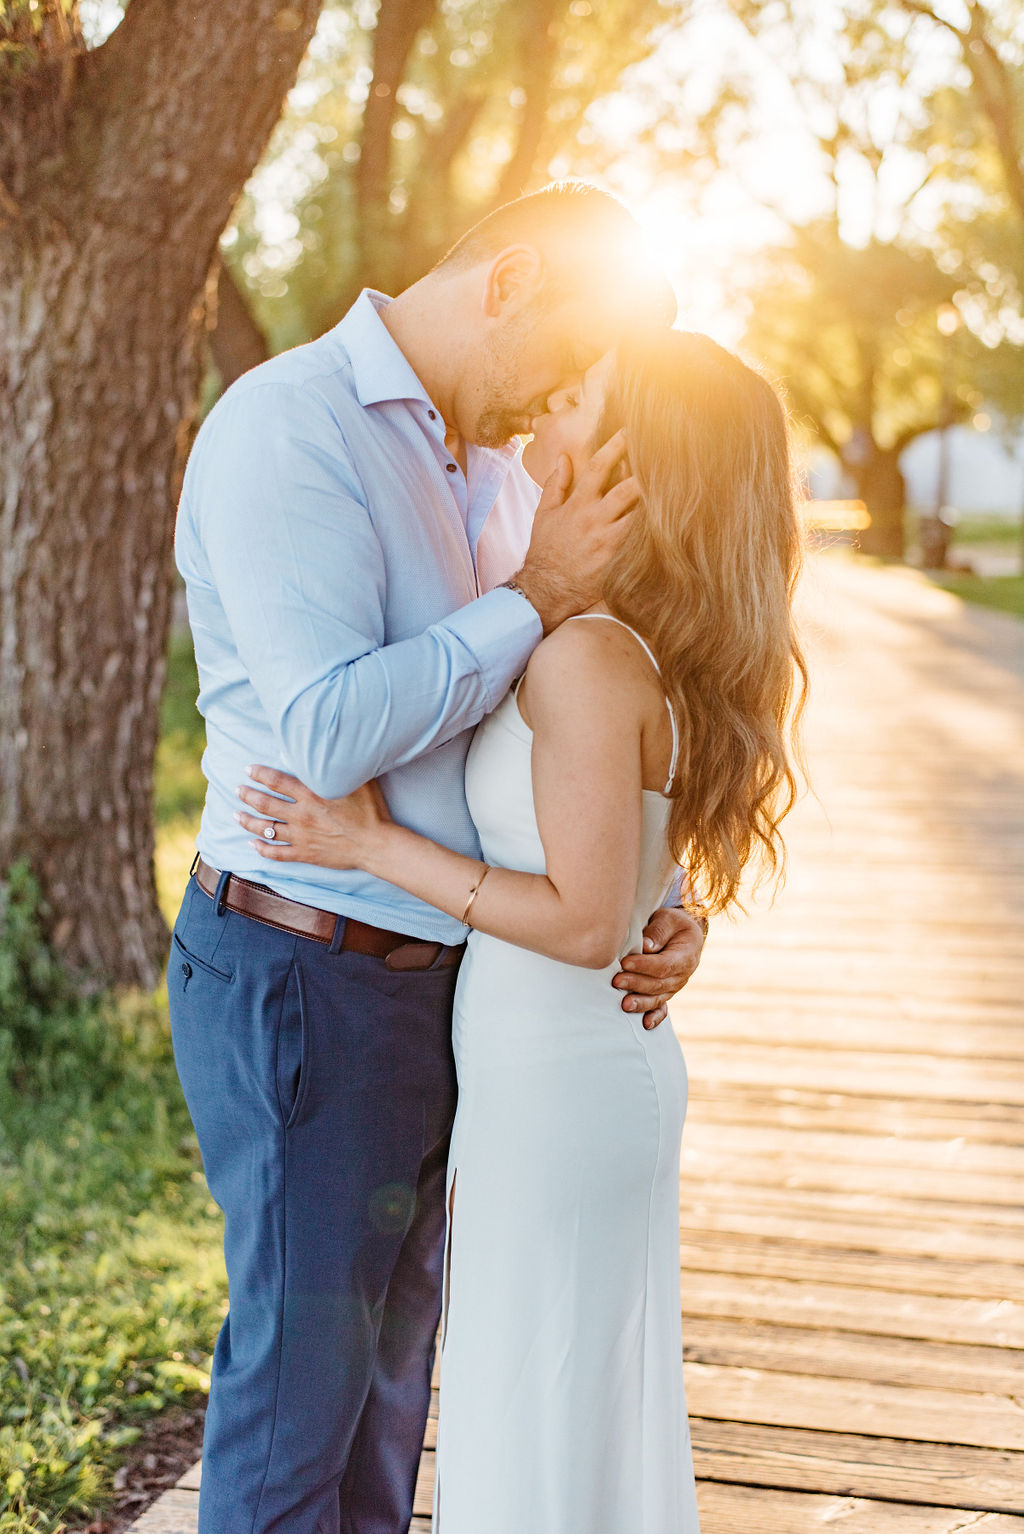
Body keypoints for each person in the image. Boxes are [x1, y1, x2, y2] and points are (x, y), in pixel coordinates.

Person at [169, 182, 709, 1534]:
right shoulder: (293, 430)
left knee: (385, 1415)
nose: (565, 399)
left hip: (442, 984)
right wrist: (537, 594)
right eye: (568, 361)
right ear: (512, 279)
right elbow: (331, 728)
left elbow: (557, 721)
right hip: (309, 967)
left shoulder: (497, 464)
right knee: (300, 1406)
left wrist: (665, 890)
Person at [236, 332, 807, 1533]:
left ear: (634, 464)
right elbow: (621, 864)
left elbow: (588, 915)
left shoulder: (590, 656)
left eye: (576, 404)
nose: (544, 421)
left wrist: (369, 844)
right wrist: (676, 911)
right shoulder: (605, 635)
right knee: (554, 1401)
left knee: (540, 1402)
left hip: (564, 1079)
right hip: (561, 1071)